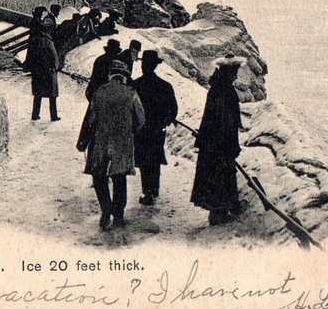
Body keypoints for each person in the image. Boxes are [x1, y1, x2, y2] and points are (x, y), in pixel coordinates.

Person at [77, 62, 145, 229]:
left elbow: (90, 119)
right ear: (124, 78)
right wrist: (129, 131)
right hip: (122, 143)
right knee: (119, 178)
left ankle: (106, 210)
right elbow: (140, 120)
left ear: (110, 76)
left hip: (100, 141)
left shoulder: (99, 93)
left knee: (100, 177)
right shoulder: (131, 94)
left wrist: (82, 142)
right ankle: (119, 214)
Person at [190, 54, 246, 225]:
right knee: (220, 174)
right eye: (235, 72)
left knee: (216, 174)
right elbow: (225, 120)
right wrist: (230, 145)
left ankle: (222, 208)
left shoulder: (218, 88)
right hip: (220, 143)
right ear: (228, 72)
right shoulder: (224, 90)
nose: (236, 76)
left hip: (213, 142)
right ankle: (219, 212)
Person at [132, 50, 179, 205]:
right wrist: (163, 122)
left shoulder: (136, 85)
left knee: (145, 162)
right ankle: (153, 190)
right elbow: (173, 110)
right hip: (157, 131)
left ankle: (148, 192)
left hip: (141, 131)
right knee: (155, 160)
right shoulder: (165, 86)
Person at [28, 15, 61, 121]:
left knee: (38, 94)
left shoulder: (35, 39)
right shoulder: (47, 40)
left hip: (37, 70)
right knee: (52, 95)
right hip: (48, 71)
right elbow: (53, 55)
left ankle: (35, 114)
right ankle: (53, 116)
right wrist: (56, 66)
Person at [22, 7, 48, 72]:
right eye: (41, 12)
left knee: (32, 53)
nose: (41, 14)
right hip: (34, 39)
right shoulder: (36, 20)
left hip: (34, 39)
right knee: (32, 53)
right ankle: (29, 67)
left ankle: (29, 67)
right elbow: (36, 29)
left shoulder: (36, 19)